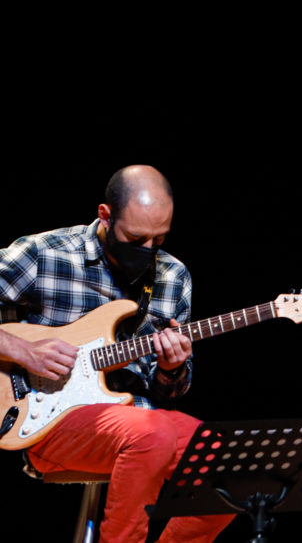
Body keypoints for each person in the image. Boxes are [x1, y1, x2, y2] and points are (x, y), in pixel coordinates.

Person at [0, 165, 234, 543]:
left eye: (159, 239)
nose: (148, 249)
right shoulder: (46, 253)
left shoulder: (173, 276)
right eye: (136, 238)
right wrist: (22, 350)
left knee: (224, 460)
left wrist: (171, 368)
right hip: (48, 416)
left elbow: (169, 394)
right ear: (106, 215)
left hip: (136, 417)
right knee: (153, 433)